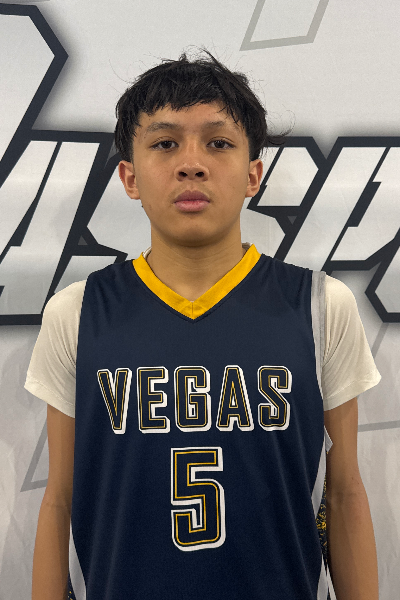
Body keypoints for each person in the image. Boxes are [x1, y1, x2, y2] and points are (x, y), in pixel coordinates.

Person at [26, 49, 381, 600]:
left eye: (218, 143)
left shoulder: (320, 306)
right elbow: (59, 500)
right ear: (129, 176)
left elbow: (344, 494)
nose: (191, 164)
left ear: (253, 174)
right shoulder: (76, 312)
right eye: (165, 143)